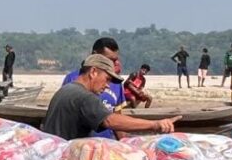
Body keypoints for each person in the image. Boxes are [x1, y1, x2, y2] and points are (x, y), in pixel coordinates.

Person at [41, 53, 178, 140]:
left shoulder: (66, 89)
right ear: (93, 72)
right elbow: (110, 121)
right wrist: (154, 124)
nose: (107, 86)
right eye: (106, 79)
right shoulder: (84, 97)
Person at [61, 38, 124, 137]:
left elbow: (117, 116)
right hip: (81, 146)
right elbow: (64, 116)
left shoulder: (116, 83)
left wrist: (126, 143)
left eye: (115, 60)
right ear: (95, 54)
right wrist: (153, 125)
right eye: (110, 59)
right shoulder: (73, 80)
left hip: (108, 147)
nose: (114, 64)